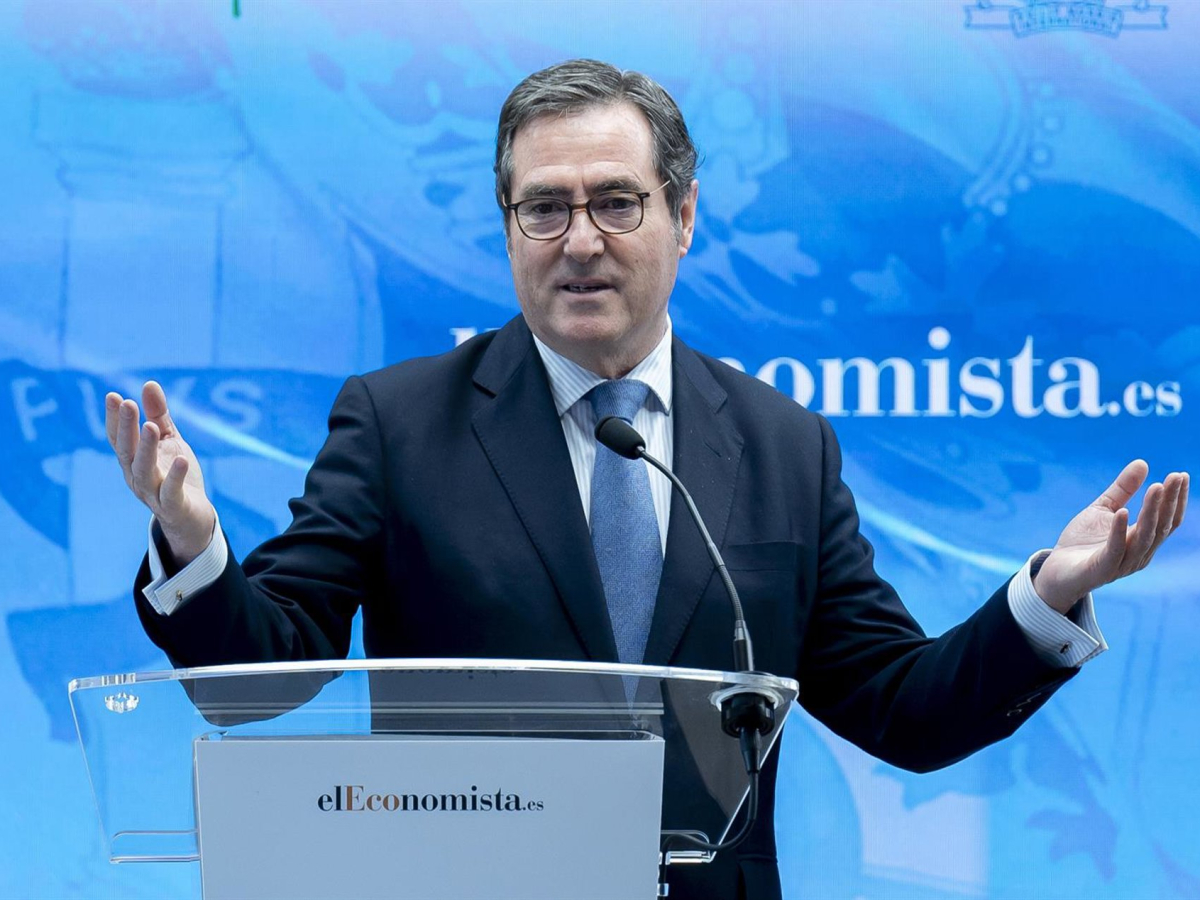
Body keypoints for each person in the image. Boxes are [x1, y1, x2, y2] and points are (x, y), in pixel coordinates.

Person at [104, 60, 1188, 900]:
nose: (580, 241)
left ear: (685, 215)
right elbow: (265, 672)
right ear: (508, 228)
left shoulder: (782, 445)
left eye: (617, 202)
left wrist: (1046, 598)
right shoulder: (399, 424)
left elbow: (903, 709)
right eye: (544, 208)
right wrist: (192, 543)